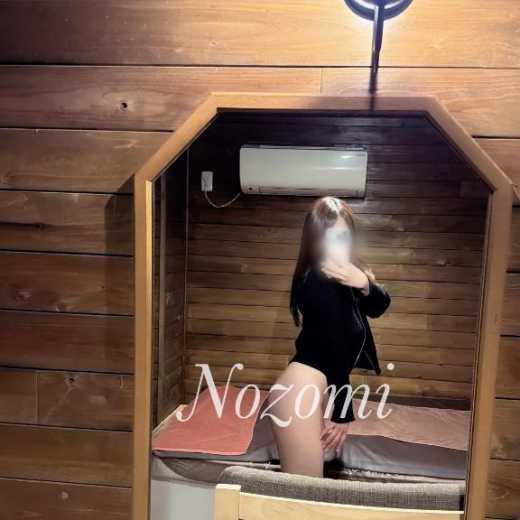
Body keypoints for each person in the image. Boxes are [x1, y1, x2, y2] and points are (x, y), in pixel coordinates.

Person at [268, 196, 391, 476]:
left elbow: (380, 306)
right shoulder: (319, 280)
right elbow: (335, 348)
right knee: (302, 494)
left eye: (344, 237)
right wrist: (342, 412)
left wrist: (364, 283)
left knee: (307, 492)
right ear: (315, 240)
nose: (339, 245)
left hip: (315, 386)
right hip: (300, 391)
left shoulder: (344, 277)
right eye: (329, 237)